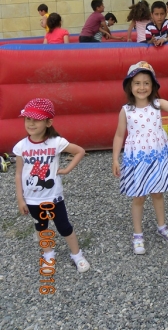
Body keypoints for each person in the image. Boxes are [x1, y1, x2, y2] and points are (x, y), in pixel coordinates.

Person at [112, 61, 168, 254]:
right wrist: (115, 158)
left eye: (146, 83)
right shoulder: (126, 111)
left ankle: (162, 226)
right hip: (137, 160)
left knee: (158, 193)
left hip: (158, 157)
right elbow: (119, 135)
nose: (142, 87)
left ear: (153, 86)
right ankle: (138, 235)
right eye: (137, 83)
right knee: (139, 197)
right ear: (130, 86)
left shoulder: (158, 104)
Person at [13, 98, 90, 272]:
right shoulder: (21, 147)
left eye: (36, 119)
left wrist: (66, 169)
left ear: (48, 122)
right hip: (32, 199)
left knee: (64, 227)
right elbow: (18, 173)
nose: (31, 123)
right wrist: (20, 198)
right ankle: (48, 254)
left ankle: (77, 254)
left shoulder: (56, 142)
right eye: (28, 119)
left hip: (54, 197)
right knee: (41, 227)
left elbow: (80, 151)